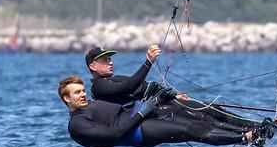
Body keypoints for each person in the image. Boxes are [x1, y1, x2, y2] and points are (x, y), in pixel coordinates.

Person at [85, 44, 266, 139]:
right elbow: (130, 87)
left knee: (209, 109)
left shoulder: (113, 78)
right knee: (204, 118)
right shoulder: (98, 87)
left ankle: (254, 127)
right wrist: (148, 62)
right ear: (93, 66)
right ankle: (247, 134)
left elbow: (144, 86)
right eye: (105, 60)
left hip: (165, 102)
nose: (110, 62)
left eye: (110, 59)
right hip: (156, 113)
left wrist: (174, 95)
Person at [59, 75, 274, 147]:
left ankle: (253, 131)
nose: (83, 95)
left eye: (83, 90)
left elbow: (125, 97)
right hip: (141, 132)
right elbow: (113, 135)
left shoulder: (90, 106)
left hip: (146, 115)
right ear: (66, 98)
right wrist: (145, 111)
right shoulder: (77, 124)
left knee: (203, 117)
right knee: (192, 130)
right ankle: (245, 138)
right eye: (77, 93)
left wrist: (152, 98)